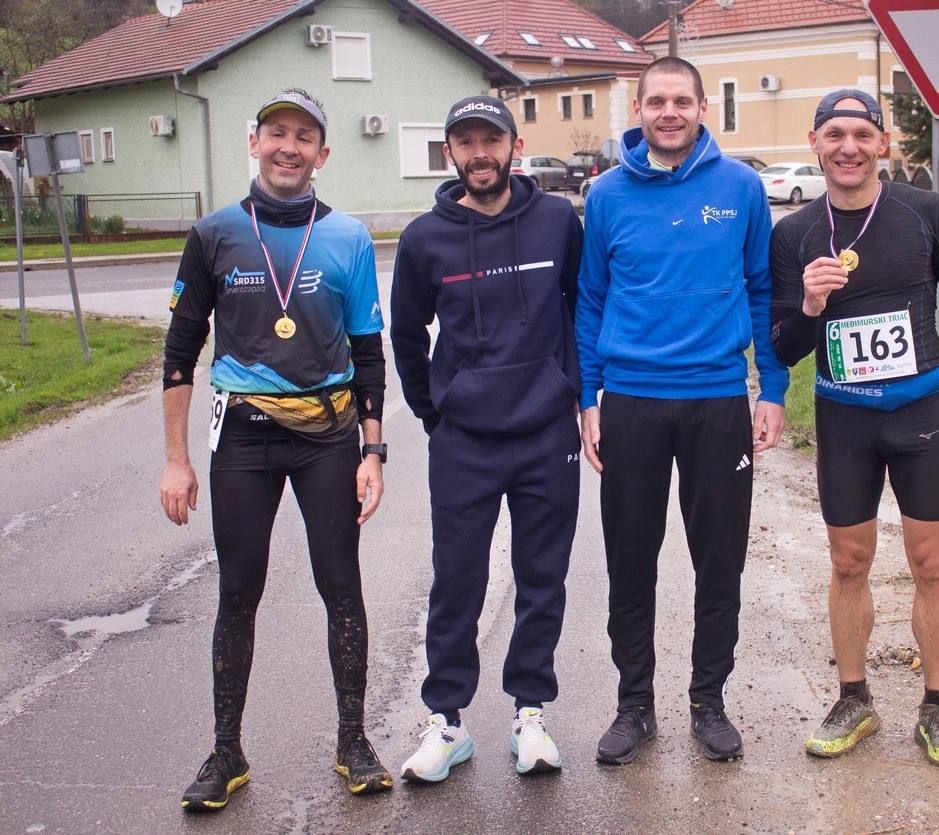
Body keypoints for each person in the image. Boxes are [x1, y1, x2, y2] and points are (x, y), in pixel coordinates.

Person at [769, 89, 939, 768]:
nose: (848, 148)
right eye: (834, 135)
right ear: (815, 144)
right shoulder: (794, 234)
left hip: (919, 415)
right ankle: (854, 699)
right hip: (843, 416)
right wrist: (811, 304)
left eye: (862, 134)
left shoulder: (926, 212)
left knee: (932, 562)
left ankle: (937, 707)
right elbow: (784, 349)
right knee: (848, 562)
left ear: (883, 143)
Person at [159, 88, 392, 810]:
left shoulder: (348, 237)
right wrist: (176, 460)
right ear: (254, 142)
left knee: (340, 585)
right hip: (243, 439)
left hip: (328, 437)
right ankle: (226, 751)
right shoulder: (214, 234)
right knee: (238, 590)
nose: (289, 147)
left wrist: (373, 452)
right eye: (277, 133)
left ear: (323, 154)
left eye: (304, 137)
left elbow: (368, 352)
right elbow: (179, 352)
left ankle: (353, 741)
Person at [576, 57, 789, 765]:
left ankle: (708, 700)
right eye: (656, 102)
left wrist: (773, 388)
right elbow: (591, 299)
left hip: (717, 399)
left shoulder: (742, 187)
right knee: (630, 560)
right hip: (632, 401)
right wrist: (588, 396)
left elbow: (762, 289)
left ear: (702, 108)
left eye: (682, 101)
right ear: (637, 110)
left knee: (719, 561)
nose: (669, 112)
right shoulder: (606, 194)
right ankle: (634, 705)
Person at [390, 95, 583, 780]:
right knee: (457, 581)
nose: (480, 154)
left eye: (490, 140)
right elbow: (406, 336)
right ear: (450, 153)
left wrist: (575, 393)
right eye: (466, 142)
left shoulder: (558, 221)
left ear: (514, 146)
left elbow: (582, 309)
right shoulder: (424, 239)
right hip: (464, 440)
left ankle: (530, 712)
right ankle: (446, 721)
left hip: (546, 432)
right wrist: (437, 413)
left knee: (541, 578)